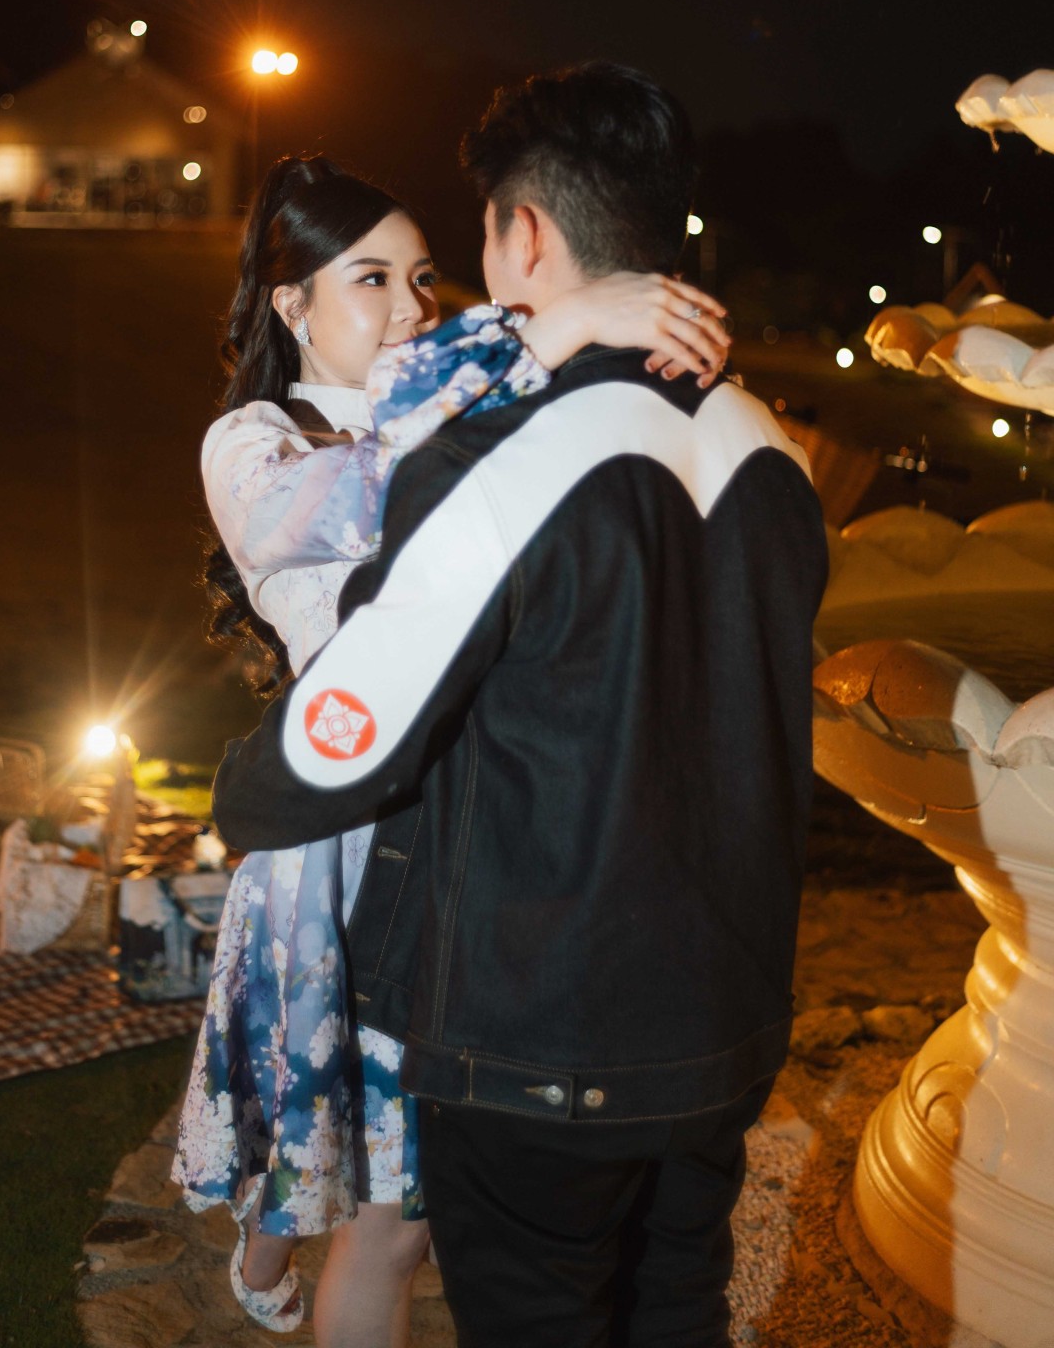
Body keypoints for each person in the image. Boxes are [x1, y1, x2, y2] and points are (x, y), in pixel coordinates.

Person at [211, 66, 830, 1348]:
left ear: (524, 235)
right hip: (717, 1016)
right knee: (673, 1314)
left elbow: (341, 743)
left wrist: (245, 799)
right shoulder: (772, 447)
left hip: (539, 1025)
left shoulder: (501, 461)